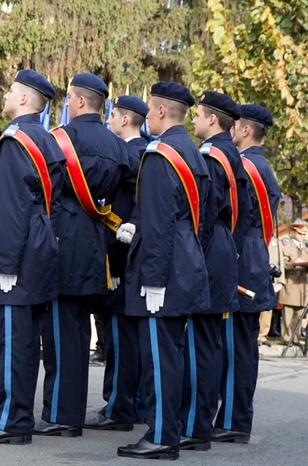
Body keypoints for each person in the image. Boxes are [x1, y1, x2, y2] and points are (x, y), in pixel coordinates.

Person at [0, 69, 64, 445]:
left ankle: (11, 419)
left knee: (15, 341)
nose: (5, 95)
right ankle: (18, 417)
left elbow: (13, 208)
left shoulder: (14, 141)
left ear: (24, 99)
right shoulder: (46, 139)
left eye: (10, 90)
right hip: (42, 243)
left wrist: (7, 263)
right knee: (27, 341)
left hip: (20, 250)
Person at [115, 82, 210, 460]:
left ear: (158, 112)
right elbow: (188, 219)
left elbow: (159, 222)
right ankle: (167, 431)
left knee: (158, 359)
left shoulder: (159, 155)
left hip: (164, 272)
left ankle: (161, 436)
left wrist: (153, 278)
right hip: (184, 263)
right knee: (171, 356)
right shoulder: (191, 151)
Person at [37, 73, 129, 438]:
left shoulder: (62, 139)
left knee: (58, 335)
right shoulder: (116, 144)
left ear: (77, 101)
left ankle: (62, 415)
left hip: (62, 237)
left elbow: (47, 189)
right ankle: (71, 411)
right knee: (78, 333)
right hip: (94, 241)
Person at [175, 91, 245, 451]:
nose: (195, 121)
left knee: (199, 342)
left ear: (213, 120)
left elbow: (203, 214)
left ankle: (194, 426)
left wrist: (191, 259)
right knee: (207, 341)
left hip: (208, 249)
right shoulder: (229, 154)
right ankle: (198, 422)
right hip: (222, 247)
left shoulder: (213, 156)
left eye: (199, 116)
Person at [213, 104, 280, 444]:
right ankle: (235, 417)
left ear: (246, 130)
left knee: (235, 346)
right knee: (242, 345)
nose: (232, 131)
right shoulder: (262, 166)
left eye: (235, 126)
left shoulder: (248, 166)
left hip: (242, 258)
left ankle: (233, 420)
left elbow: (237, 219)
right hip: (254, 256)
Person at [86, 95, 148, 431]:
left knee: (119, 337)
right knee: (122, 335)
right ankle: (130, 403)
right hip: (122, 255)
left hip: (121, 257)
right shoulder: (136, 152)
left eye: (113, 117)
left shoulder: (132, 153)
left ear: (124, 120)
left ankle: (119, 406)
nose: (108, 121)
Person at [279, 219, 308, 343]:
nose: (302, 236)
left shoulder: (306, 248)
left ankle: (295, 338)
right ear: (294, 232)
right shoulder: (286, 247)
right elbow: (283, 264)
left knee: (299, 315)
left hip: (302, 285)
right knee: (288, 314)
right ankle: (286, 338)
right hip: (290, 283)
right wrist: (294, 263)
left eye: (304, 234)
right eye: (300, 234)